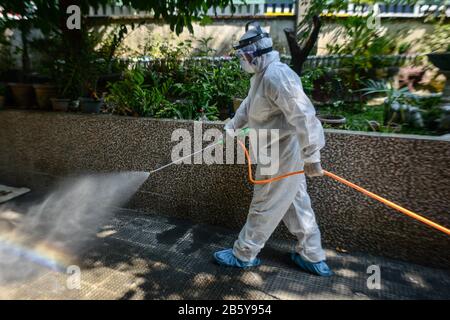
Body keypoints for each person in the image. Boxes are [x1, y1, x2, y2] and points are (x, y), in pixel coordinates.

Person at [213, 22, 332, 277]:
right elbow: (248, 105)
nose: (241, 61)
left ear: (255, 54)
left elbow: (304, 115)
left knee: (264, 204)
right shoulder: (261, 77)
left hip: (281, 157)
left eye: (242, 56)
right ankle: (312, 256)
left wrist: (312, 155)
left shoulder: (277, 76)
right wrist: (232, 127)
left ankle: (244, 254)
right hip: (274, 154)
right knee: (296, 204)